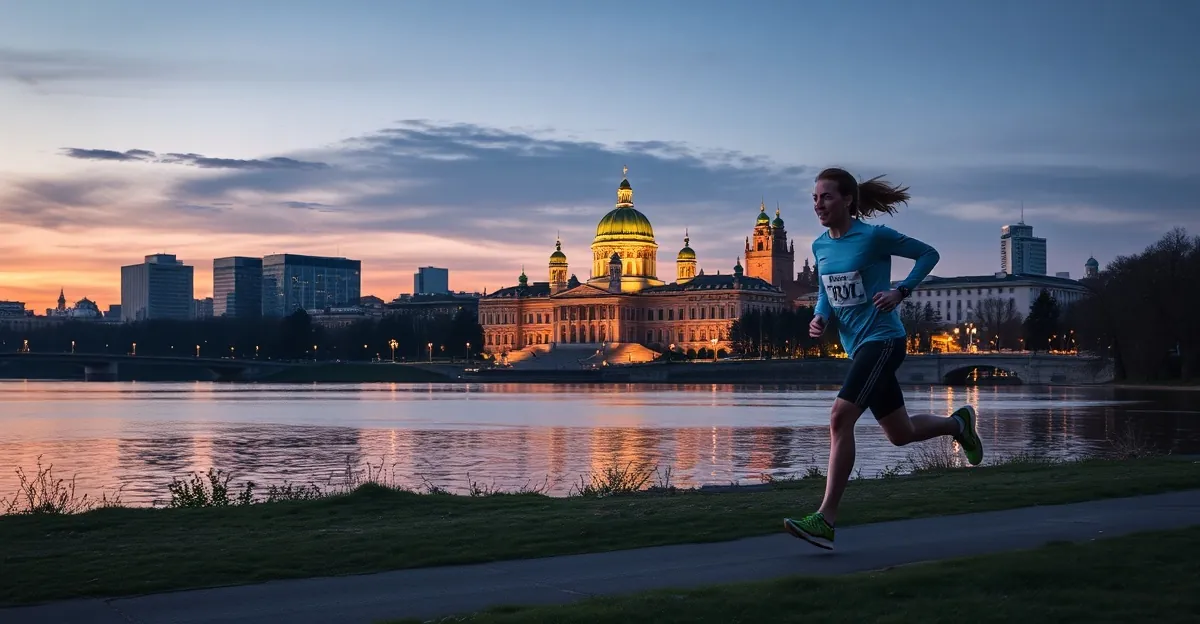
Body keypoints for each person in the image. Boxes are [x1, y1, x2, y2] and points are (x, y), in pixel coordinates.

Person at [783, 167, 984, 551]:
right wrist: (821, 316)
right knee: (900, 434)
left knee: (839, 417)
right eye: (814, 198)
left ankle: (825, 519)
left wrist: (901, 291)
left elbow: (929, 254)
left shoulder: (873, 237)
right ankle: (959, 425)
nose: (818, 205)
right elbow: (827, 289)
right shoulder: (820, 246)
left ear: (847, 200)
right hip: (857, 347)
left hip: (885, 340)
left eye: (826, 197)